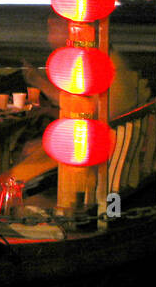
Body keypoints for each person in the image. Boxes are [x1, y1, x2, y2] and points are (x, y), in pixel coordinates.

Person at [8, 13, 147, 185]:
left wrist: (38, 81)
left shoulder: (102, 65)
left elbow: (88, 111)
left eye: (58, 21)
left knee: (18, 166)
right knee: (27, 149)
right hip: (104, 141)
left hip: (98, 151)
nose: (50, 23)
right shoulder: (100, 58)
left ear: (81, 30)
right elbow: (88, 110)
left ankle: (20, 203)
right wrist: (49, 111)